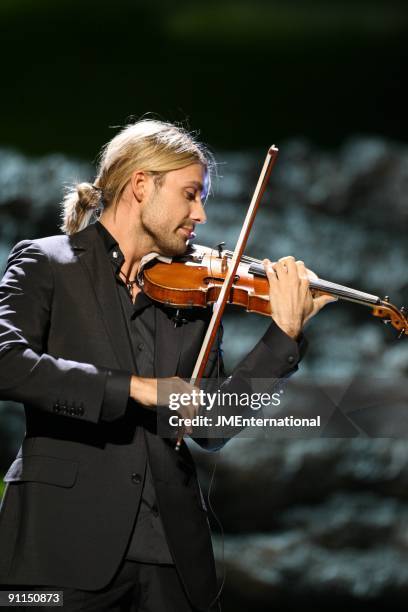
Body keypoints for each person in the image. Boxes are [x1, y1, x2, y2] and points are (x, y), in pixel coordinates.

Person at [0, 120, 333, 611]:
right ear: (141, 185)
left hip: (171, 560)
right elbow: (8, 363)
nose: (200, 213)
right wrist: (136, 388)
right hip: (60, 551)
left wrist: (283, 338)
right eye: (190, 194)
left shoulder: (194, 291)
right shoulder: (48, 263)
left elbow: (213, 424)